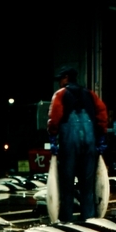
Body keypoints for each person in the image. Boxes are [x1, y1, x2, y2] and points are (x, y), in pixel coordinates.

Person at [47, 67, 108, 223]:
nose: (59, 83)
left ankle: (66, 219)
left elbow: (54, 117)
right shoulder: (91, 94)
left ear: (66, 78)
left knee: (67, 183)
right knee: (88, 183)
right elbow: (102, 114)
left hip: (69, 141)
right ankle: (89, 218)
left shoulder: (60, 94)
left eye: (61, 79)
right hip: (89, 140)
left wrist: (53, 137)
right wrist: (101, 137)